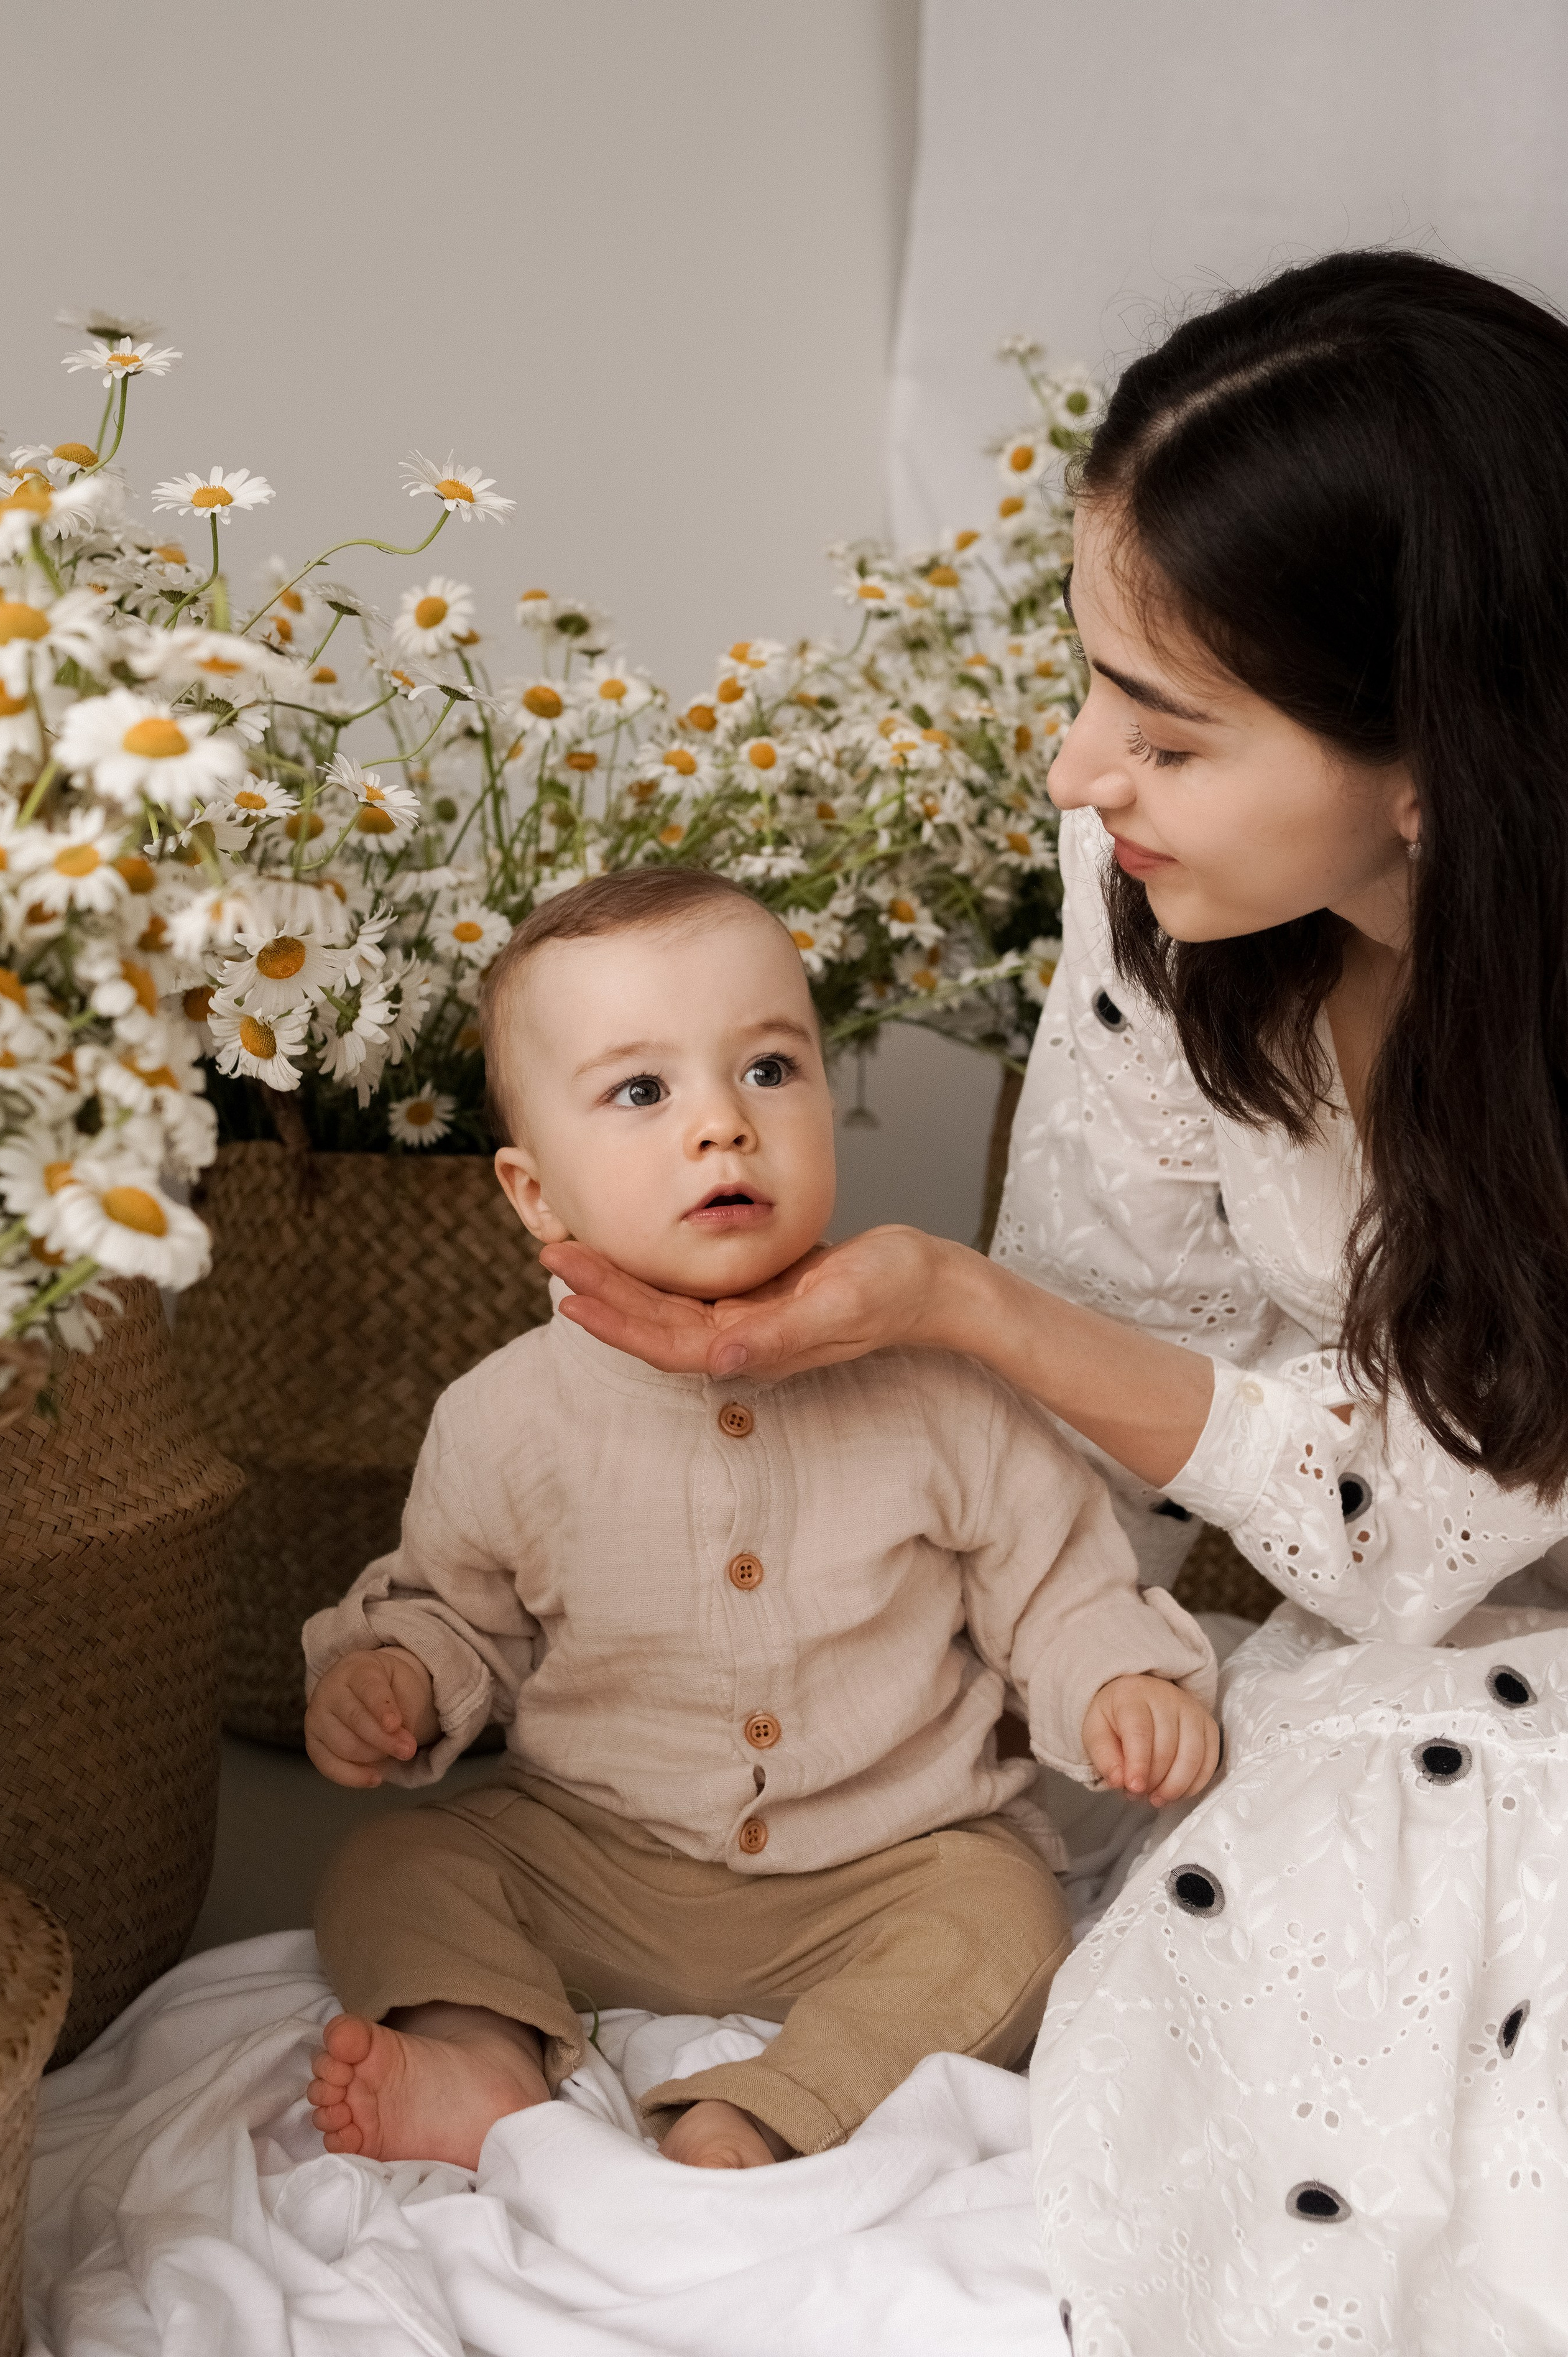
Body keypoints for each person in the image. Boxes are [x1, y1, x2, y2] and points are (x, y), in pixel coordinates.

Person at [546, 252, 1568, 2349]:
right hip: (1357, 1609)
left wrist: (956, 1311)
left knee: (1382, 1939)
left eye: (1170, 732)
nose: (1079, 772)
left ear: (1436, 766)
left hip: (1465, 1630)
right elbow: (1129, 1320)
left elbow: (1420, 1546)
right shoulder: (1166, 903)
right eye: (1088, 672)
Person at [299, 869, 1220, 2176]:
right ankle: (479, 2055)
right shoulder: (504, 1417)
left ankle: (770, 2105)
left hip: (889, 1858)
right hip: (596, 1855)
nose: (721, 1128)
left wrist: (1118, 1681)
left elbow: (1054, 1584)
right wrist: (394, 1676)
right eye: (641, 1092)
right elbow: (459, 1610)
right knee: (391, 1865)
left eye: (770, 1070)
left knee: (1006, 1918)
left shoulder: (935, 1380)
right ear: (534, 1195)